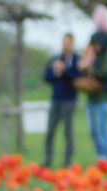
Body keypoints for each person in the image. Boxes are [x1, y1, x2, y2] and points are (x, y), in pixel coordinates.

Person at [42, 33, 81, 168]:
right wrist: (55, 72)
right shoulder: (55, 58)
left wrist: (65, 70)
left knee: (68, 131)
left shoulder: (76, 59)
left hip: (69, 100)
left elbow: (77, 77)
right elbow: (47, 77)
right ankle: (47, 159)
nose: (65, 45)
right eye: (64, 42)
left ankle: (68, 161)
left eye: (68, 42)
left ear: (72, 43)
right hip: (56, 99)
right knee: (50, 130)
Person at [80, 31, 107, 162]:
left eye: (98, 44)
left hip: (102, 100)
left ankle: (106, 158)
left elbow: (104, 74)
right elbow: (84, 73)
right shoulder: (92, 57)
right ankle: (100, 156)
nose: (96, 47)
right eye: (94, 44)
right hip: (91, 99)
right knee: (93, 131)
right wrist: (86, 65)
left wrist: (91, 68)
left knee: (102, 131)